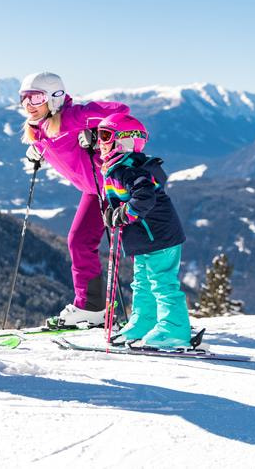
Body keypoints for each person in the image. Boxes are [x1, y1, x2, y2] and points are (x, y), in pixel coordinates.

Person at [20, 71, 130, 328]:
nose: (28, 105)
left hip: (117, 188)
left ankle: (162, 315)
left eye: (36, 98)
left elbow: (121, 111)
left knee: (137, 250)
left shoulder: (73, 116)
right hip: (95, 192)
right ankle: (92, 308)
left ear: (55, 98)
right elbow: (58, 144)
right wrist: (38, 150)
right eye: (24, 99)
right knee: (79, 242)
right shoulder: (41, 128)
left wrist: (98, 131)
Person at [97, 112, 192, 349]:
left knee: (162, 283)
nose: (100, 142)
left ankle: (175, 330)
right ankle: (144, 321)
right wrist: (113, 212)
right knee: (142, 283)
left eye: (106, 135)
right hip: (145, 239)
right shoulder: (118, 167)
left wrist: (123, 214)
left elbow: (144, 196)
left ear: (126, 140)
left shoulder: (129, 169)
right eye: (98, 135)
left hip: (160, 236)